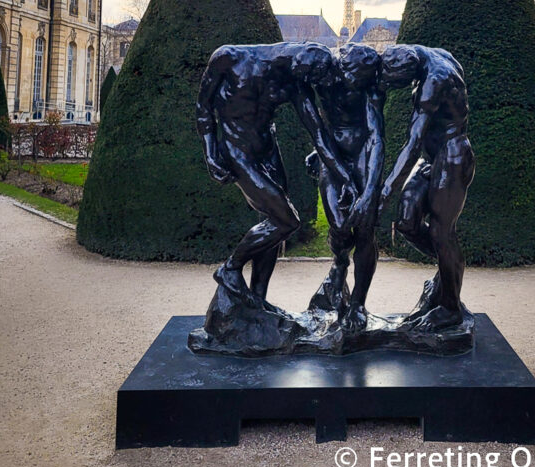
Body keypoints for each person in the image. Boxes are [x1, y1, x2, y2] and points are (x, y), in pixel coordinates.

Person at [196, 42, 353, 301]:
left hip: (268, 149)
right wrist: (211, 153)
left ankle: (258, 298)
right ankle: (230, 268)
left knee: (270, 225)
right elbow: (203, 107)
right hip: (237, 151)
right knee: (286, 220)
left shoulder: (293, 82)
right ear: (298, 64)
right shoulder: (229, 58)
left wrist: (343, 176)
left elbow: (317, 133)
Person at [379, 44, 475, 330]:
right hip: (432, 157)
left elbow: (412, 143)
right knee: (407, 221)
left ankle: (449, 308)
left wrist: (385, 190)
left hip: (453, 155)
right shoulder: (435, 54)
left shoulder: (433, 81)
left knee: (440, 231)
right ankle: (449, 269)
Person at [306, 43, 384, 329]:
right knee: (339, 226)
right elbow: (317, 123)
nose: (357, 83)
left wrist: (370, 191)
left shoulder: (369, 89)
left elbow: (376, 138)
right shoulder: (323, 77)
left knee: (365, 230)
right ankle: (339, 264)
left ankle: (358, 304)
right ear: (343, 66)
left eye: (363, 78)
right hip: (332, 154)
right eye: (353, 75)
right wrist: (320, 149)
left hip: (362, 153)